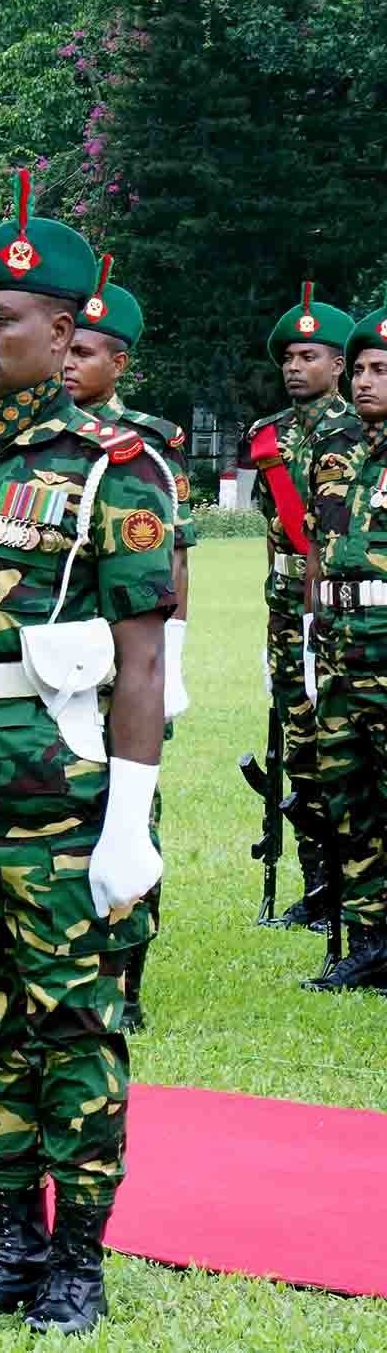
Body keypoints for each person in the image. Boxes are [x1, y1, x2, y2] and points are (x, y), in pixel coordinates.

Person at [0, 172, 174, 1334]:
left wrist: (128, 819)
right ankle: (9, 1242)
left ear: (63, 334)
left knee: (74, 1025)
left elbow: (144, 657)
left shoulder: (115, 467)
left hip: (58, 798)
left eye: (0, 319)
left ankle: (77, 1261)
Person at [63, 263, 193, 1031]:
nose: (72, 361)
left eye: (89, 351)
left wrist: (170, 659)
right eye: (66, 347)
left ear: (120, 363)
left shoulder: (145, 446)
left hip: (125, 664)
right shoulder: (36, 440)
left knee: (132, 812)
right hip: (58, 668)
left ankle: (129, 975)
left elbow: (172, 562)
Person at [240, 284, 355, 929]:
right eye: (288, 356)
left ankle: (350, 888)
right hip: (284, 609)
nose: (294, 366)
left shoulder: (358, 432)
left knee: (337, 747)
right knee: (298, 747)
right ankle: (317, 891)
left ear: (338, 365)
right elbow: (271, 529)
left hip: (335, 613)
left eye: (309, 356)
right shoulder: (270, 437)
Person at [299, 292, 387, 991]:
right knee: (349, 796)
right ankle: (371, 938)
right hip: (341, 656)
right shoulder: (349, 462)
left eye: (380, 370)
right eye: (359, 369)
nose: (364, 381)